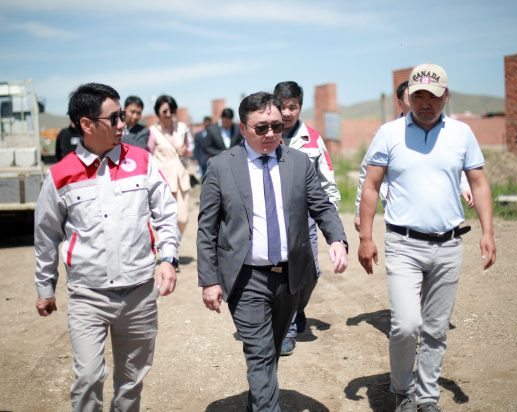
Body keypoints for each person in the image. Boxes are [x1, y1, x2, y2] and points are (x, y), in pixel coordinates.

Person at [357, 63, 496, 412]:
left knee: (435, 328)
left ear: (446, 96)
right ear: (408, 97)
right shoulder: (389, 134)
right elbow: (371, 186)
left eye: (432, 96)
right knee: (406, 325)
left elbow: (478, 183)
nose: (425, 103)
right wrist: (365, 237)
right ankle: (403, 390)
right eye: (418, 95)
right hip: (403, 244)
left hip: (449, 245)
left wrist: (488, 232)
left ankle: (427, 397)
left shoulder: (462, 134)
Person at [197, 91, 348, 412]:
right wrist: (209, 280)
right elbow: (207, 228)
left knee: (273, 349)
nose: (270, 134)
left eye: (276, 127)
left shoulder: (299, 163)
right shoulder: (221, 167)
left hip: (289, 278)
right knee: (260, 353)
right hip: (246, 278)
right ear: (243, 129)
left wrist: (337, 239)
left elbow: (321, 206)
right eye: (261, 127)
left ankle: (259, 402)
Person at [34, 82, 180, 412]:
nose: (122, 123)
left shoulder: (142, 161)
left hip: (140, 293)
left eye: (122, 115)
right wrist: (45, 288)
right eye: (114, 118)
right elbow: (46, 236)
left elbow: (166, 213)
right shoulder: (60, 176)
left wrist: (168, 258)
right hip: (88, 296)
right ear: (87, 124)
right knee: (87, 377)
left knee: (131, 380)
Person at [273, 80, 341, 355]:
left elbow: (327, 180)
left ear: (300, 107)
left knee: (310, 272)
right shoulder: (266, 135)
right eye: (282, 106)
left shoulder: (312, 139)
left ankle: (298, 306)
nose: (287, 113)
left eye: (293, 107)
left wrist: (332, 222)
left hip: (307, 218)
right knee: (286, 272)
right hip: (274, 218)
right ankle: (287, 329)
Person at [354, 80, 473, 231]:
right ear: (400, 103)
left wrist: (464, 184)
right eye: (413, 98)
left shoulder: (443, 131)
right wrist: (359, 212)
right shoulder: (387, 134)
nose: (420, 104)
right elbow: (367, 176)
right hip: (400, 218)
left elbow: (450, 161)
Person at [148, 94, 193, 234]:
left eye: (171, 110)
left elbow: (189, 151)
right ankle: (170, 246)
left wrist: (185, 151)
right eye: (164, 111)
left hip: (182, 179)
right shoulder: (152, 131)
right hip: (164, 180)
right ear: (158, 112)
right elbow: (148, 155)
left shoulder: (182, 128)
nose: (168, 114)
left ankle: (175, 243)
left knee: (183, 219)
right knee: (167, 219)